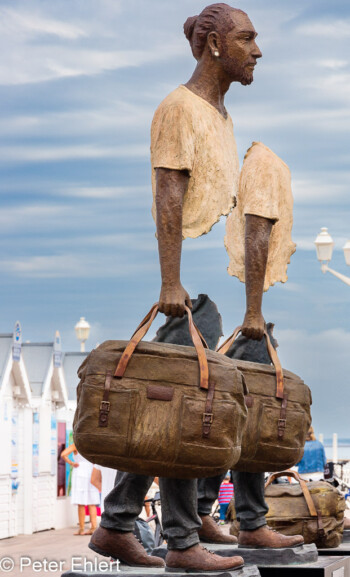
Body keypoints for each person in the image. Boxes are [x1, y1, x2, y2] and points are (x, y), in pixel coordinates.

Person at [90, 4, 302, 571]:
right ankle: (179, 540)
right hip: (184, 283)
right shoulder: (179, 108)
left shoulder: (221, 115)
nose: (257, 51)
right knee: (184, 402)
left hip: (207, 280)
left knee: (230, 397)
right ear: (214, 45)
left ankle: (173, 521)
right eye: (247, 39)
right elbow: (168, 192)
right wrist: (171, 281)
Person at [61, 443, 100, 535]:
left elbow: (63, 454)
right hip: (91, 470)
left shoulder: (76, 445)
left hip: (80, 471)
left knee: (81, 502)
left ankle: (81, 528)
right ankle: (93, 527)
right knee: (92, 501)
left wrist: (72, 463)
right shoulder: (92, 445)